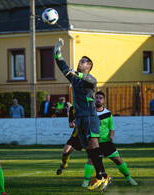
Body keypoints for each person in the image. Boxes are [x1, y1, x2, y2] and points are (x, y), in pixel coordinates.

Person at [55, 38, 112, 193]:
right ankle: (103, 175)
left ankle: (102, 176)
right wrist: (58, 50)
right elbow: (62, 66)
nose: (81, 62)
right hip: (80, 118)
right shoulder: (73, 78)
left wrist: (77, 74)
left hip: (90, 117)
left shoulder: (90, 80)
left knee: (93, 145)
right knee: (88, 147)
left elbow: (90, 79)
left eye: (84, 61)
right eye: (80, 60)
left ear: (89, 66)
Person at [82, 91, 138, 187]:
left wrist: (111, 135)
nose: (98, 99)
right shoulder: (90, 112)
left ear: (103, 101)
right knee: (91, 160)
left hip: (105, 141)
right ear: (94, 100)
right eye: (97, 97)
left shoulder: (108, 113)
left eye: (100, 98)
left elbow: (111, 128)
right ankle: (86, 182)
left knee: (118, 160)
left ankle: (129, 178)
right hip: (94, 141)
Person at [56, 106, 82, 175]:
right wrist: (73, 124)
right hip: (76, 136)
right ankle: (64, 165)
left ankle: (99, 173)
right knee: (65, 152)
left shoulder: (87, 106)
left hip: (87, 135)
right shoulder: (72, 108)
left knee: (92, 155)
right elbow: (70, 124)